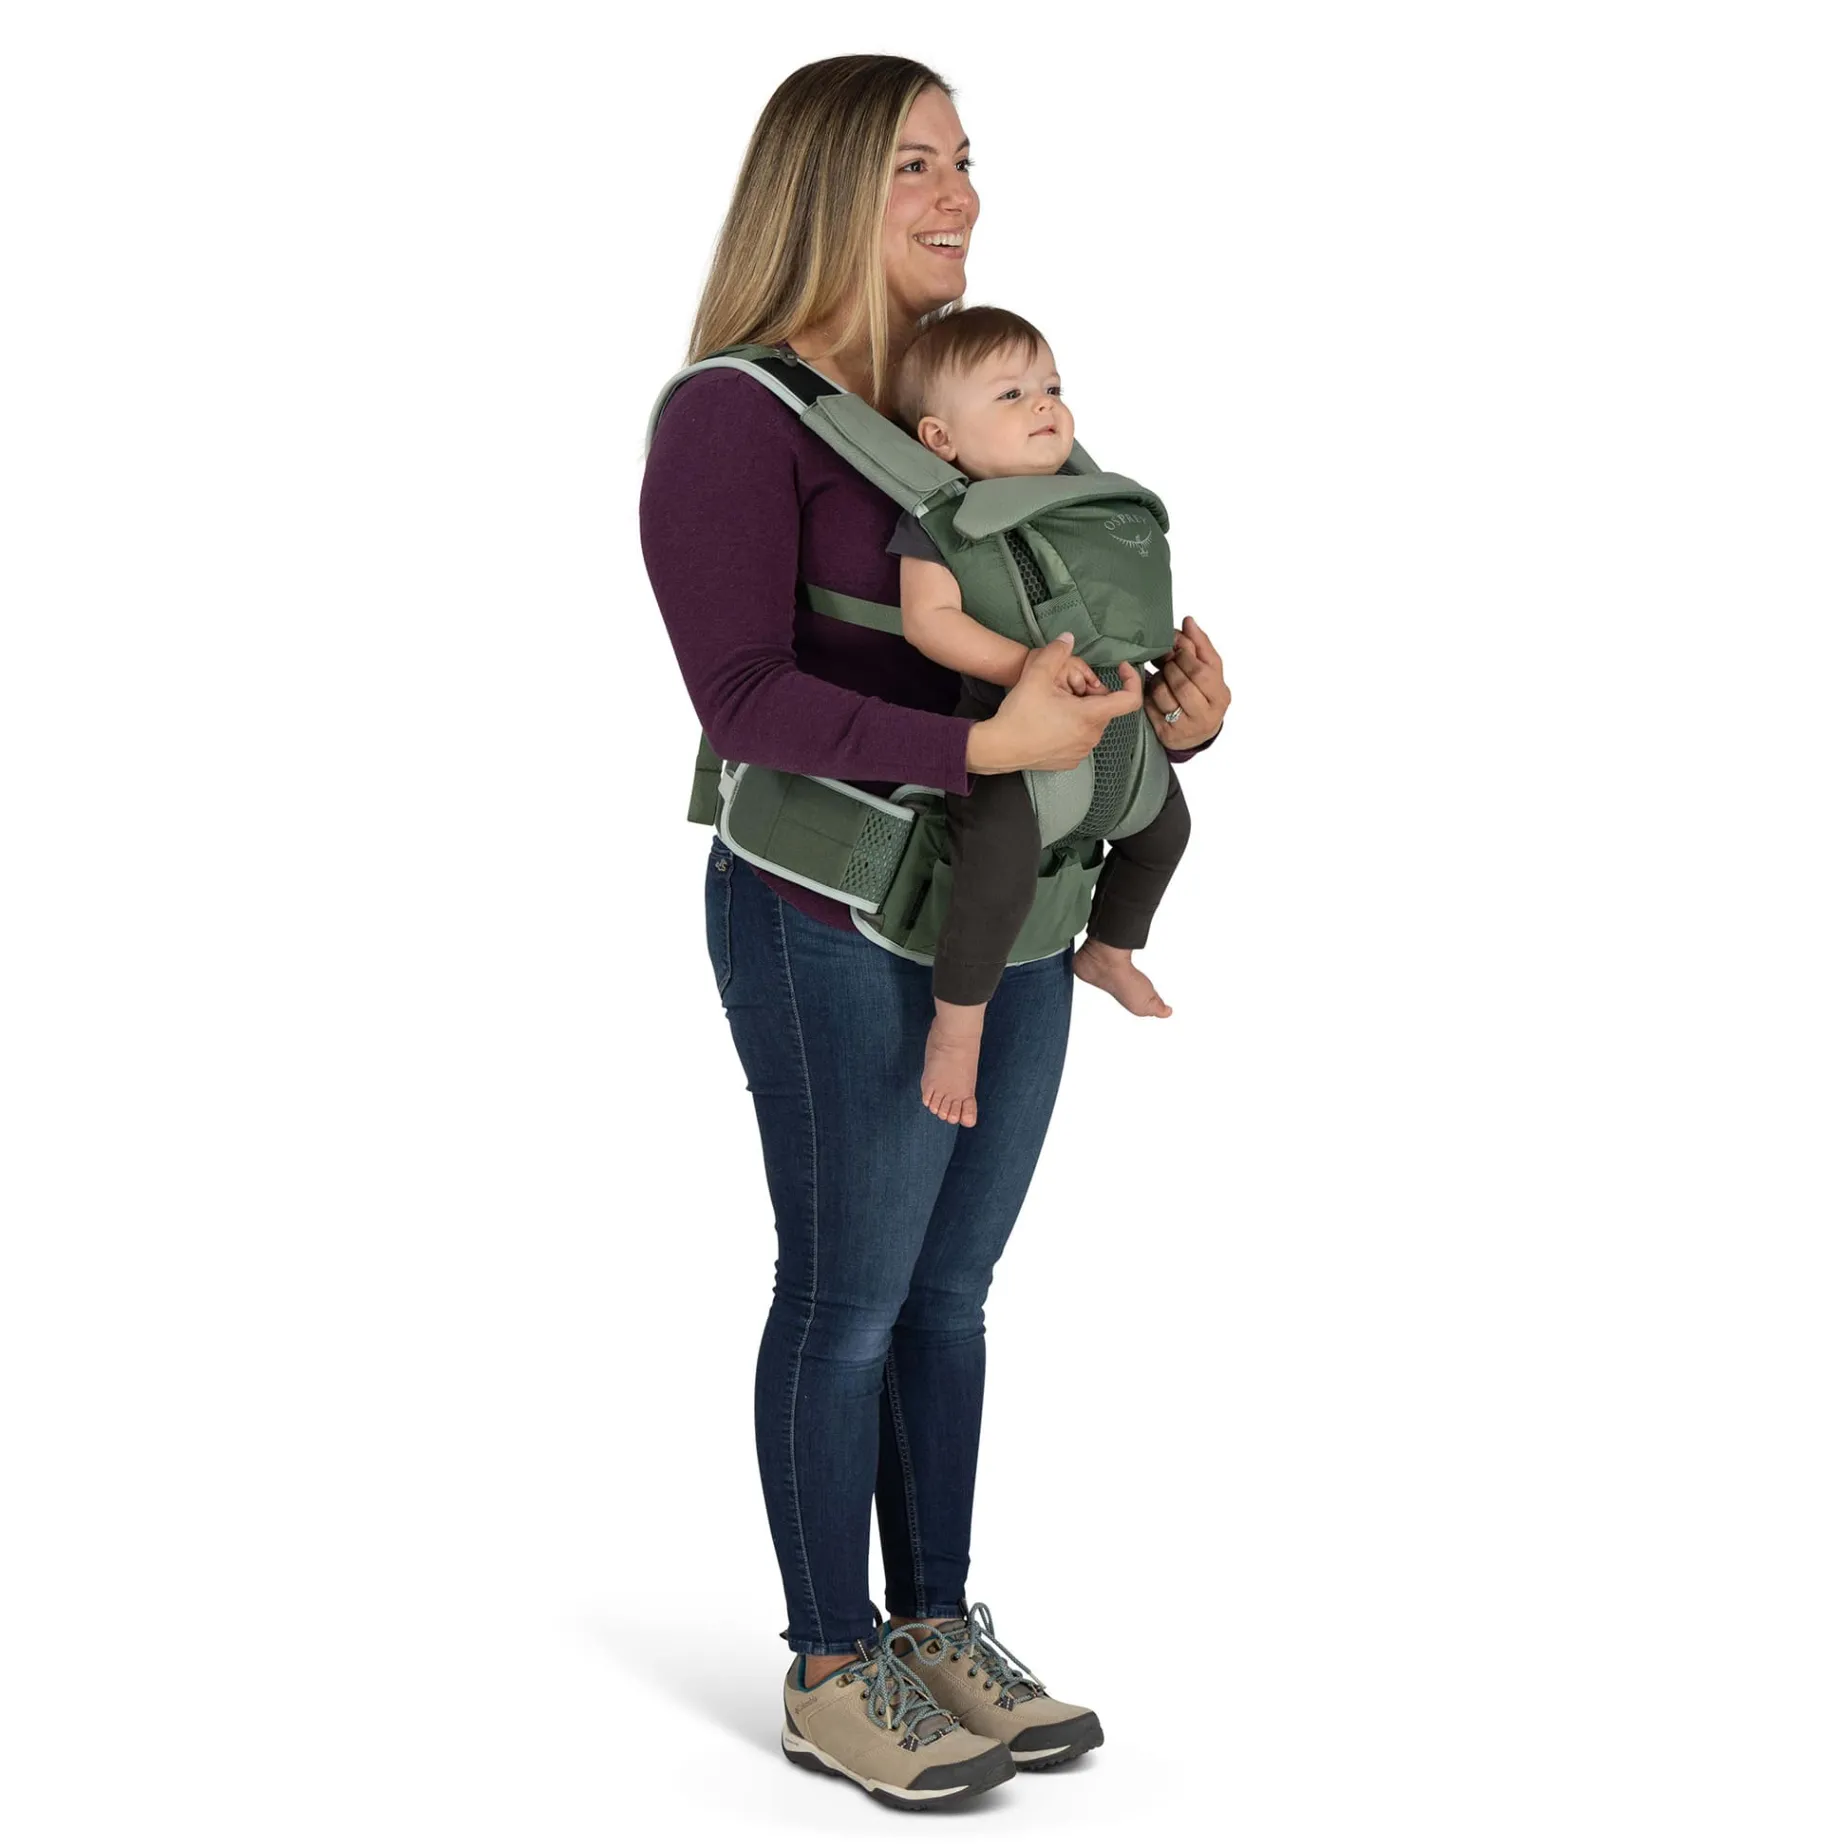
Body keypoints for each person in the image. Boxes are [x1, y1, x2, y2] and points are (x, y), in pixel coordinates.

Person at [638, 56, 1230, 1811]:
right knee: (847, 1300)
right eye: (913, 165)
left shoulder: (963, 397)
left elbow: (1063, 636)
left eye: (965, 160)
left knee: (950, 1298)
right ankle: (833, 1663)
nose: (959, 195)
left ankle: (936, 1621)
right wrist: (985, 746)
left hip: (1015, 906)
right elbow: (741, 697)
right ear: (822, 186)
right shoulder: (732, 418)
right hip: (829, 913)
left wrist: (1164, 721)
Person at [885, 305, 1195, 1127]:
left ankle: (1110, 949)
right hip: (1011, 738)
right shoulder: (940, 523)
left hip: (1123, 737)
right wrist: (1024, 666)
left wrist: (1178, 680)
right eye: (1011, 394)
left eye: (1052, 387)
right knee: (994, 878)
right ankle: (957, 1030)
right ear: (940, 439)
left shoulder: (1089, 506)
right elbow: (929, 622)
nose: (1044, 404)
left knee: (1167, 831)